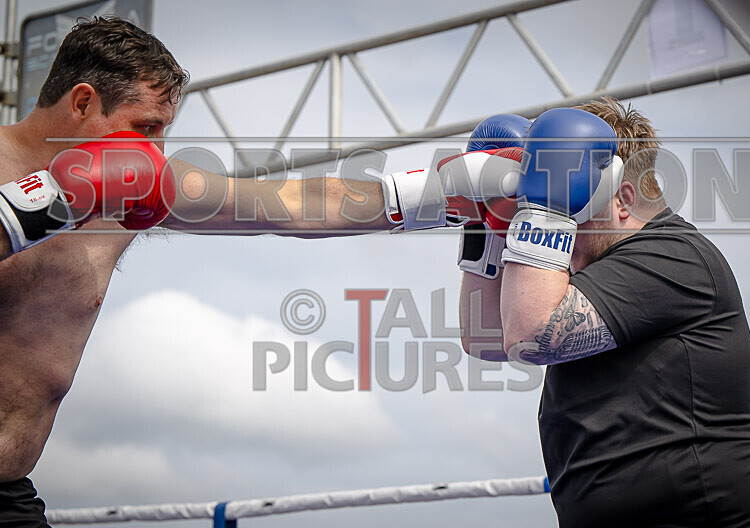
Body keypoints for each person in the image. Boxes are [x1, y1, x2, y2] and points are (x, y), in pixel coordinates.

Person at [0, 16, 500, 526]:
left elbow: (291, 204)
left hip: (11, 493)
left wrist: (448, 189)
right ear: (83, 102)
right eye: (144, 127)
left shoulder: (135, 185)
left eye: (164, 132)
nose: (155, 150)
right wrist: (40, 208)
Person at [458, 99, 750, 527]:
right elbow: (485, 338)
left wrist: (546, 210)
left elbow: (529, 334)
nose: (564, 225)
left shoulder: (675, 257)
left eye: (574, 203)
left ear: (622, 199)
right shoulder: (604, 274)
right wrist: (491, 223)